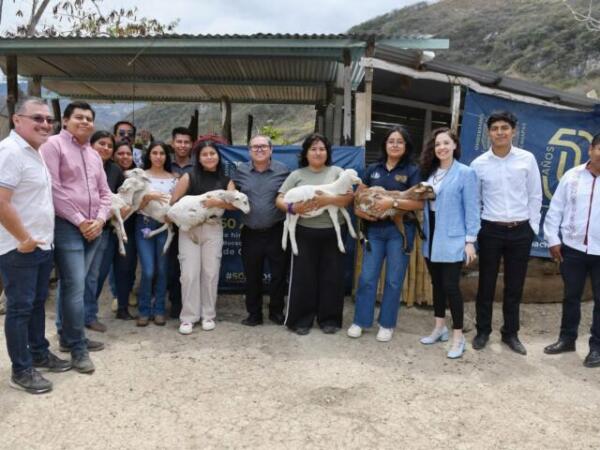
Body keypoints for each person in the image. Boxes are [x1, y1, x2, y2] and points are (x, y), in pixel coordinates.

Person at [0, 97, 71, 394]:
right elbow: (1, 202)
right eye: (37, 118)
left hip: (42, 245)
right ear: (17, 120)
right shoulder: (10, 152)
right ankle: (21, 368)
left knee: (37, 303)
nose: (44, 124)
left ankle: (39, 352)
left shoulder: (36, 151)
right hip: (20, 248)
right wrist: (24, 240)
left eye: (47, 119)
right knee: (19, 308)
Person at [41, 101, 112, 374]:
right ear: (66, 121)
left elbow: (105, 192)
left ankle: (68, 337)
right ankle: (78, 348)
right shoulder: (54, 146)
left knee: (74, 285)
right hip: (68, 226)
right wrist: (81, 221)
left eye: (89, 118)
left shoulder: (94, 155)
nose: (85, 122)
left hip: (95, 226)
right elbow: (54, 188)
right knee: (75, 285)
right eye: (79, 117)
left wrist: (101, 220)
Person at [470, 111, 542, 355]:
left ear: (514, 131)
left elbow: (535, 195)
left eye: (504, 127)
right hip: (490, 230)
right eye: (495, 128)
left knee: (514, 286)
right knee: (486, 284)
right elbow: (475, 201)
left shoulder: (527, 159)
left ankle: (510, 334)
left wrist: (532, 227)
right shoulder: (478, 164)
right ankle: (483, 331)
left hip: (520, 231)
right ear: (488, 132)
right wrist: (477, 230)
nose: (500, 132)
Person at [347, 126, 423, 342]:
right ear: (385, 145)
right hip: (375, 231)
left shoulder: (412, 170)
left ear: (406, 146)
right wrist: (360, 211)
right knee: (368, 277)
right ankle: (361, 321)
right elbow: (358, 199)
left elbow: (418, 203)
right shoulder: (373, 169)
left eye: (400, 141)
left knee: (393, 280)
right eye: (391, 141)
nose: (395, 145)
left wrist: (393, 202)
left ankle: (387, 324)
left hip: (400, 231)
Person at [276, 133, 354, 335]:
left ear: (327, 152)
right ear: (306, 153)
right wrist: (294, 209)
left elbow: (347, 199)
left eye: (322, 148)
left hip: (333, 231)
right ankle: (301, 320)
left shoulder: (338, 172)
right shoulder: (296, 175)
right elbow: (280, 200)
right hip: (304, 232)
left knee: (333, 277)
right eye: (313, 149)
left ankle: (329, 319)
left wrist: (326, 200)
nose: (318, 152)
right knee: (303, 277)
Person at [418, 128, 480, 358]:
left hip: (452, 237)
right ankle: (439, 327)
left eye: (446, 143)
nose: (441, 148)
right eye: (437, 145)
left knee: (451, 286)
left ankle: (458, 336)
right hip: (432, 236)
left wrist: (470, 242)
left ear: (455, 145)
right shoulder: (431, 173)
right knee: (437, 284)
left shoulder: (465, 173)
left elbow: (472, 209)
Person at [543, 133, 600, 368]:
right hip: (573, 248)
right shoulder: (572, 176)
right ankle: (567, 339)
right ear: (591, 149)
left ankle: (596, 347)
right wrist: (553, 239)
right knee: (571, 296)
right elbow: (555, 208)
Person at [171, 141, 237, 335]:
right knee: (189, 274)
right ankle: (188, 317)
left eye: (212, 153)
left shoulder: (226, 181)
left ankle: (208, 315)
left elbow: (235, 204)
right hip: (189, 230)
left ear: (218, 156)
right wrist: (186, 220)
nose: (209, 157)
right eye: (204, 154)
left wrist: (218, 203)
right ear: (198, 158)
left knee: (210, 273)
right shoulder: (188, 177)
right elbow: (173, 204)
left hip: (213, 228)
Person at [232, 135, 290, 326]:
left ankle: (276, 312)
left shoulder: (283, 171)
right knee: (252, 276)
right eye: (255, 147)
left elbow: (289, 196)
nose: (259, 150)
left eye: (263, 146)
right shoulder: (241, 171)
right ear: (249, 151)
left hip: (277, 231)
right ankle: (254, 314)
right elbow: (232, 190)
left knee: (279, 275)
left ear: (271, 150)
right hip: (250, 232)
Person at [83, 131, 125, 331]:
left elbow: (116, 200)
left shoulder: (115, 170)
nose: (106, 148)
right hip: (78, 227)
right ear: (91, 145)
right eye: (102, 143)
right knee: (74, 277)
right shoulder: (80, 164)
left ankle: (89, 316)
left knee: (95, 276)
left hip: (104, 230)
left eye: (110, 146)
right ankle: (70, 321)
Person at [135, 142, 177, 327]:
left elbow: (177, 204)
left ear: (167, 156)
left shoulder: (174, 179)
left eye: (162, 153)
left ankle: (159, 309)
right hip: (144, 225)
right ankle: (144, 310)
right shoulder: (141, 177)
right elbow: (134, 207)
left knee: (162, 270)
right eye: (154, 153)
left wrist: (171, 217)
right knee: (148, 269)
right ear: (149, 155)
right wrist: (146, 198)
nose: (158, 156)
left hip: (165, 227)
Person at [167, 127, 194, 319]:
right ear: (172, 143)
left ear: (192, 145)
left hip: (191, 225)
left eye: (186, 142)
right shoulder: (163, 163)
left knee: (190, 268)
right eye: (179, 142)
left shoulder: (197, 167)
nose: (182, 146)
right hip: (167, 224)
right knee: (170, 267)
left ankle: (190, 305)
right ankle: (175, 305)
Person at [111, 141, 138, 316]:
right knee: (111, 269)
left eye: (128, 153)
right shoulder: (110, 172)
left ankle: (123, 305)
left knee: (126, 266)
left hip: (130, 227)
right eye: (120, 153)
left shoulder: (136, 175)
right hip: (108, 225)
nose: (125, 157)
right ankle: (119, 302)